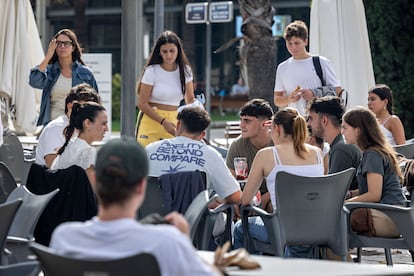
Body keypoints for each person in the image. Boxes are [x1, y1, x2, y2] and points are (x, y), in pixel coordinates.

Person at [49, 137, 217, 276]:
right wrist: (185, 243)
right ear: (141, 187)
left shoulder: (65, 238)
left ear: (95, 181)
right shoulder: (166, 242)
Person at [233, 107, 324, 257]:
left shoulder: (267, 155)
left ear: (278, 128)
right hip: (318, 227)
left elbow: (245, 200)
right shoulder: (317, 153)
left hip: (284, 229)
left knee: (239, 228)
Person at [146, 107, 241, 204]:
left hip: (149, 216)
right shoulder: (210, 154)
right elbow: (235, 197)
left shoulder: (150, 149)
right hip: (192, 218)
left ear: (178, 125)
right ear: (202, 135)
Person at [342, 106, 406, 238]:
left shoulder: (372, 154)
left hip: (388, 217)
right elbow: (373, 188)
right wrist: (349, 194)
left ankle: (337, 257)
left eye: (345, 127)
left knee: (332, 220)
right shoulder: (373, 152)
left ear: (358, 130)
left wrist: (343, 204)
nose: (342, 132)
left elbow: (374, 194)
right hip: (396, 216)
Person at [137, 30, 195, 146]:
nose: (168, 55)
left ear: (178, 51)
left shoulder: (186, 71)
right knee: (146, 159)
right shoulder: (152, 71)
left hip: (174, 120)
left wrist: (197, 107)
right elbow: (142, 103)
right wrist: (163, 121)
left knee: (172, 160)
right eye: (165, 51)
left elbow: (190, 100)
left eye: (172, 51)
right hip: (151, 119)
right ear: (159, 52)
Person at [29, 29, 98, 126]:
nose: (62, 46)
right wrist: (48, 56)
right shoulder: (49, 71)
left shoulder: (85, 73)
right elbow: (34, 81)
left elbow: (95, 102)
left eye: (66, 43)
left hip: (77, 124)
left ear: (73, 47)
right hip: (52, 124)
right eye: (59, 43)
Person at [274, 20, 341, 115]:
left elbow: (337, 90)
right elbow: (277, 100)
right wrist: (289, 99)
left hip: (321, 119)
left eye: (297, 43)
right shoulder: (282, 68)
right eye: (289, 43)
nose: (293, 47)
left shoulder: (322, 62)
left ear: (305, 41)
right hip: (295, 122)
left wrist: (314, 93)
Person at [35, 83, 100, 168]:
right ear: (70, 107)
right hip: (52, 180)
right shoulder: (57, 128)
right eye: (86, 110)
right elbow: (53, 167)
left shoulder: (81, 128)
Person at [226, 99, 274, 211]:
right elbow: (230, 184)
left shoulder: (278, 143)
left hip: (273, 196)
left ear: (265, 124)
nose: (241, 125)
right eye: (241, 120)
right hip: (246, 198)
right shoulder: (237, 145)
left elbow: (286, 185)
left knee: (275, 206)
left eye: (247, 121)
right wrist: (237, 203)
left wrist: (265, 199)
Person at [307, 96, 361, 190]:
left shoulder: (341, 148)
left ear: (324, 120)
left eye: (311, 118)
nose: (308, 124)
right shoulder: (340, 144)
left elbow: (333, 191)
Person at [50, 102, 108, 184]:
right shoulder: (89, 153)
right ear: (87, 123)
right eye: (103, 124)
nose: (107, 129)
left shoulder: (68, 147)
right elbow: (93, 191)